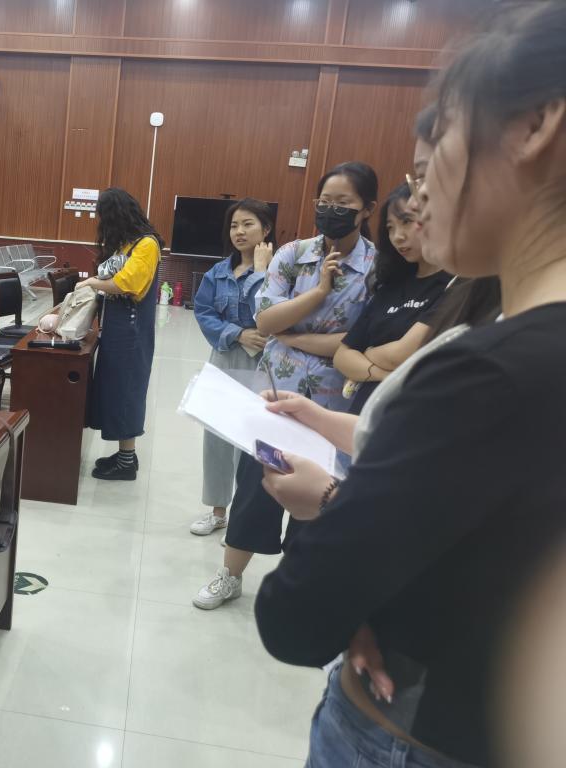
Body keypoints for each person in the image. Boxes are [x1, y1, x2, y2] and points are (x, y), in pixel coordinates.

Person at [253, 4, 566, 765]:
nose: (418, 198)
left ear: (535, 126)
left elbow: (293, 617)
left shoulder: (490, 371)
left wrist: (331, 506)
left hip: (409, 738)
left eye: (433, 160)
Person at [193, 161, 379, 609]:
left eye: (343, 203)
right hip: (275, 393)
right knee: (255, 487)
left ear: (367, 209)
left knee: (317, 498)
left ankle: (299, 588)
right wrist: (317, 293)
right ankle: (230, 576)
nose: (331, 211)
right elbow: (265, 320)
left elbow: (361, 342)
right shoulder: (293, 255)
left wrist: (292, 336)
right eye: (324, 202)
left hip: (335, 406)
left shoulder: (378, 266)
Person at [189, 198, 275, 538]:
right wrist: (238, 333)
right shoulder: (218, 273)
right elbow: (204, 312)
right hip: (225, 358)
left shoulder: (279, 271)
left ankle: (243, 515)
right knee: (217, 438)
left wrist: (262, 272)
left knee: (251, 441)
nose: (239, 231)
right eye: (234, 225)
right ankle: (217, 512)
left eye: (248, 224)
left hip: (262, 364)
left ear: (266, 229)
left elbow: (268, 311)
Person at [334, 183, 450, 415]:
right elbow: (342, 356)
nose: (398, 236)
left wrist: (366, 354)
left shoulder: (453, 284)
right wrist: (384, 375)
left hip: (410, 415)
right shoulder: (390, 286)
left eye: (406, 222)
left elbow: (402, 354)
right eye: (390, 227)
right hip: (361, 415)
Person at [78, 188, 162, 481]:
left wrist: (91, 283)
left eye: (104, 216)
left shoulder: (147, 244)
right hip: (117, 329)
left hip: (131, 332)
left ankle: (126, 463)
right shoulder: (126, 245)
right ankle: (126, 454)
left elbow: (127, 284)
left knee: (127, 392)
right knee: (115, 390)